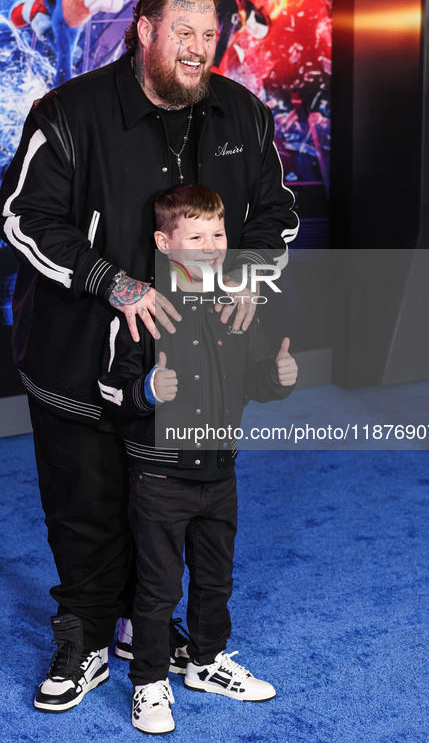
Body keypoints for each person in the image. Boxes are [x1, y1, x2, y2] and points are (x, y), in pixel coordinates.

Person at [0, 0, 299, 714]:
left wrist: (247, 283)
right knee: (89, 508)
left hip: (192, 375)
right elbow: (24, 220)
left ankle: (166, 638)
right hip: (77, 357)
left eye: (208, 33)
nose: (198, 48)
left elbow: (272, 217)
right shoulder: (67, 112)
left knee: (176, 508)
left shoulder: (242, 114)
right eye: (182, 33)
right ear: (144, 32)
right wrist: (113, 281)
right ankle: (87, 636)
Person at [99, 183, 298, 734]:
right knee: (160, 586)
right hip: (161, 477)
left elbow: (254, 379)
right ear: (164, 242)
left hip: (221, 471)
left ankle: (207, 662)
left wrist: (277, 380)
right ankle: (149, 684)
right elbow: (110, 392)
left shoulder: (238, 301)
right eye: (197, 236)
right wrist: (149, 391)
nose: (212, 247)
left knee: (216, 578)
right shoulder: (141, 308)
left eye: (219, 233)